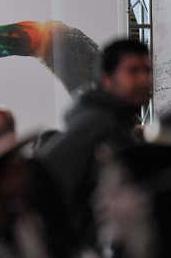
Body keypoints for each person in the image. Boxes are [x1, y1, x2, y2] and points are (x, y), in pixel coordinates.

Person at [40, 39, 152, 249]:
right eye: (133, 71)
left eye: (147, 70)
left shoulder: (118, 122)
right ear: (107, 79)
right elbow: (46, 178)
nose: (144, 79)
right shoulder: (98, 123)